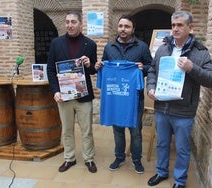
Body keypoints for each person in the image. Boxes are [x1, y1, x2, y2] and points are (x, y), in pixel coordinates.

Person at [146, 11, 212, 188]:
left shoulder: (200, 52)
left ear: (190, 27)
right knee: (162, 144)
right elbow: (152, 71)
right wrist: (151, 87)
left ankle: (179, 181)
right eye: (173, 25)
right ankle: (161, 172)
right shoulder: (162, 49)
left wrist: (192, 68)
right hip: (162, 106)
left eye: (180, 25)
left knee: (183, 148)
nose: (175, 29)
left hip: (184, 110)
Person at [95, 14, 152, 174]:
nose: (123, 29)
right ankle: (119, 157)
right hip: (115, 97)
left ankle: (136, 159)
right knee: (118, 129)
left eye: (127, 26)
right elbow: (104, 64)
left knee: (135, 130)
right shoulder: (109, 47)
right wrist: (99, 65)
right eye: (120, 26)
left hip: (135, 98)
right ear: (117, 28)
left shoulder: (142, 47)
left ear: (133, 29)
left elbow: (151, 66)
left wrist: (143, 68)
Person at [47, 11, 97, 173]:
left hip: (84, 95)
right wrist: (55, 91)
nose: (70, 25)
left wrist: (90, 64)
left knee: (87, 130)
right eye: (67, 22)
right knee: (67, 129)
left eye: (73, 22)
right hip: (64, 95)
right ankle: (69, 158)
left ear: (81, 24)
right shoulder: (56, 43)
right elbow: (50, 69)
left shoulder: (90, 44)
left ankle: (89, 159)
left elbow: (92, 71)